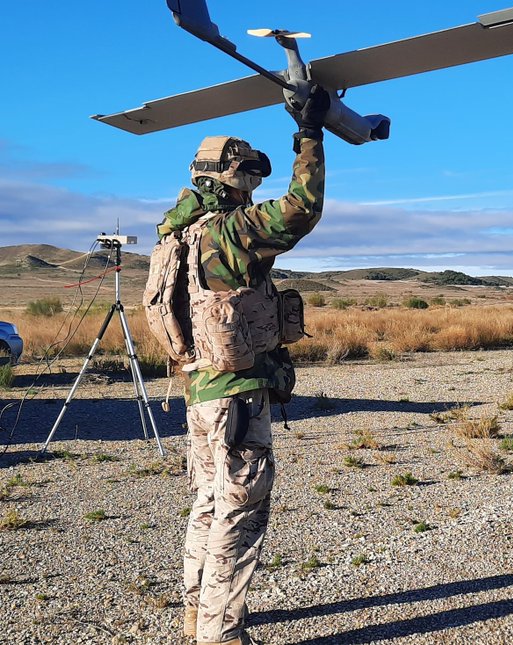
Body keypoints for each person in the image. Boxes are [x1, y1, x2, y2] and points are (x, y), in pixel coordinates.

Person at [149, 86, 330, 645]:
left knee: (208, 503)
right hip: (236, 395)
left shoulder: (178, 236)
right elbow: (301, 210)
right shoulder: (230, 231)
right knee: (240, 512)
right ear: (234, 177)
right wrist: (309, 135)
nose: (255, 185)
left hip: (201, 391)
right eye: (249, 175)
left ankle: (196, 617)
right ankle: (220, 633)